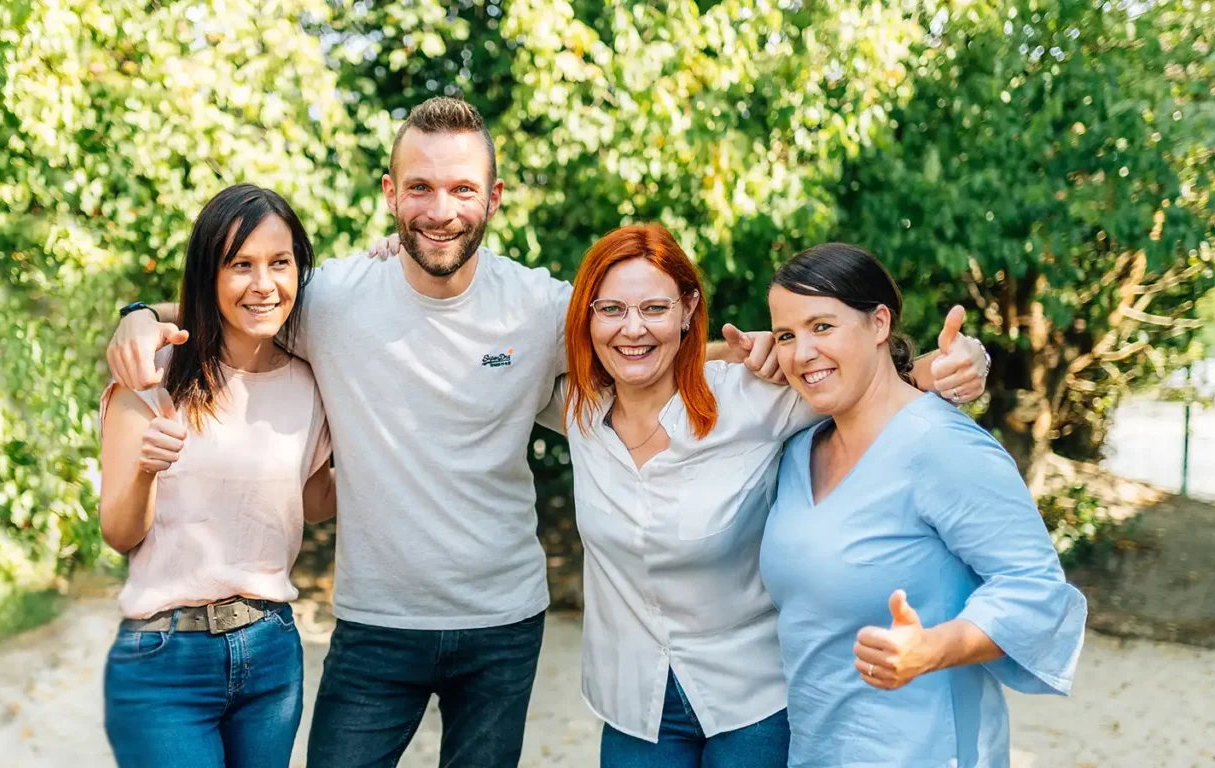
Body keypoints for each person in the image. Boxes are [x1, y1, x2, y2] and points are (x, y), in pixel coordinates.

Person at [104, 96, 988, 768]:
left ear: (493, 196)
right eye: (419, 188)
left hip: (503, 622)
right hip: (375, 623)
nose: (439, 209)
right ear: (390, 195)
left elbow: (655, 351)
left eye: (460, 189)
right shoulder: (329, 299)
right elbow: (236, 305)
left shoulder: (545, 309)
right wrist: (141, 316)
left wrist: (916, 371)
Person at [554, 225, 987, 768]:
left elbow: (882, 381)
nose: (632, 328)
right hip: (631, 703)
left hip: (753, 700)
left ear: (689, 309)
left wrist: (959, 365)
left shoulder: (754, 398)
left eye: (655, 308)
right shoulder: (575, 409)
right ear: (587, 317)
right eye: (611, 309)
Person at [759, 243, 1086, 768]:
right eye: (786, 335)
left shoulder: (943, 445)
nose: (801, 353)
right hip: (817, 751)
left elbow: (1035, 589)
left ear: (879, 323)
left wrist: (931, 649)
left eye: (823, 326)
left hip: (926, 750)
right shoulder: (799, 452)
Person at [98, 184, 335, 768]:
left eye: (280, 263)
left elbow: (314, 502)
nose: (263, 284)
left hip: (271, 652)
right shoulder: (152, 378)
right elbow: (120, 533)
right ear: (209, 276)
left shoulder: (311, 383)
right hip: (164, 657)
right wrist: (147, 472)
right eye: (241, 265)